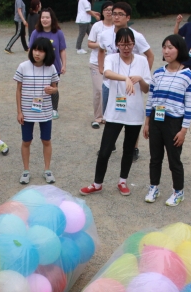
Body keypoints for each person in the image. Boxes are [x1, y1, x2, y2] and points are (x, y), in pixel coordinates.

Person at [80, 28, 151, 197]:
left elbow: (147, 89)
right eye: (122, 44)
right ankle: (97, 183)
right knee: (105, 150)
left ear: (134, 44)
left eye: (129, 44)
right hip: (114, 112)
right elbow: (107, 73)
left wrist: (140, 79)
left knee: (128, 149)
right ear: (117, 44)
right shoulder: (111, 58)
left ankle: (122, 181)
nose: (126, 48)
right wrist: (125, 78)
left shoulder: (142, 61)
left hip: (134, 113)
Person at [143, 35, 191, 206]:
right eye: (164, 47)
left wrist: (183, 130)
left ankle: (178, 191)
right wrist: (147, 122)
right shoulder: (158, 73)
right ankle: (154, 187)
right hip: (156, 121)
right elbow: (151, 99)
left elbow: (189, 106)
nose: (166, 51)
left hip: (174, 123)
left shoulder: (188, 76)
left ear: (179, 50)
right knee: (155, 157)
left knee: (174, 159)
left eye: (171, 47)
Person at [98, 1, 154, 161]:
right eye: (114, 13)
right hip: (111, 83)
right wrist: (102, 68)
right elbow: (101, 50)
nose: (116, 17)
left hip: (130, 85)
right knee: (111, 117)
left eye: (120, 14)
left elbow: (150, 55)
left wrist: (141, 76)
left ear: (128, 17)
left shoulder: (136, 36)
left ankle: (133, 147)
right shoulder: (105, 34)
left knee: (131, 116)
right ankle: (110, 144)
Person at [14, 38, 60, 185]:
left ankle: (47, 169)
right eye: (35, 49)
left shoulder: (51, 68)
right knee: (26, 141)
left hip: (45, 111)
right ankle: (26, 170)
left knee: (46, 140)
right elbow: (18, 90)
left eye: (41, 51)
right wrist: (19, 111)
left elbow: (55, 88)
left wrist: (53, 90)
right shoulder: (23, 66)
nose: (37, 53)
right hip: (27, 112)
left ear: (47, 53)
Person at [29, 8, 67, 120]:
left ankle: (54, 109)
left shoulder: (58, 33)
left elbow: (62, 50)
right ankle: (37, 107)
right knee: (38, 88)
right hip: (38, 66)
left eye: (47, 17)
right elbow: (31, 50)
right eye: (42, 17)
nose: (45, 20)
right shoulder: (35, 33)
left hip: (54, 66)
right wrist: (31, 64)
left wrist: (64, 64)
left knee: (53, 87)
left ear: (52, 19)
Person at [87, 1, 114, 129]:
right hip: (96, 63)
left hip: (112, 63)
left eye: (111, 10)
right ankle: (98, 116)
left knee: (111, 90)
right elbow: (90, 44)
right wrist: (102, 44)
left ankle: (108, 115)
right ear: (102, 12)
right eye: (106, 9)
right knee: (99, 89)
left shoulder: (117, 27)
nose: (109, 12)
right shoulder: (97, 26)